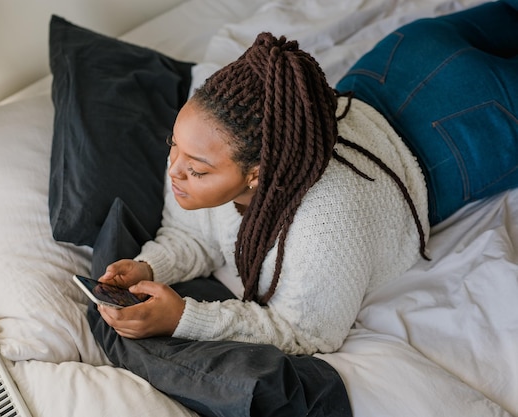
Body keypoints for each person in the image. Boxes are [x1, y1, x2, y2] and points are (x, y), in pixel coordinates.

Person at [87, 1, 518, 416]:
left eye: (196, 169)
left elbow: (310, 331)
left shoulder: (323, 223)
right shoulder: (202, 152)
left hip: (466, 127)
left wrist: (185, 318)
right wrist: (151, 267)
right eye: (172, 145)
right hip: (402, 59)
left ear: (257, 173)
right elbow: (191, 234)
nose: (175, 171)